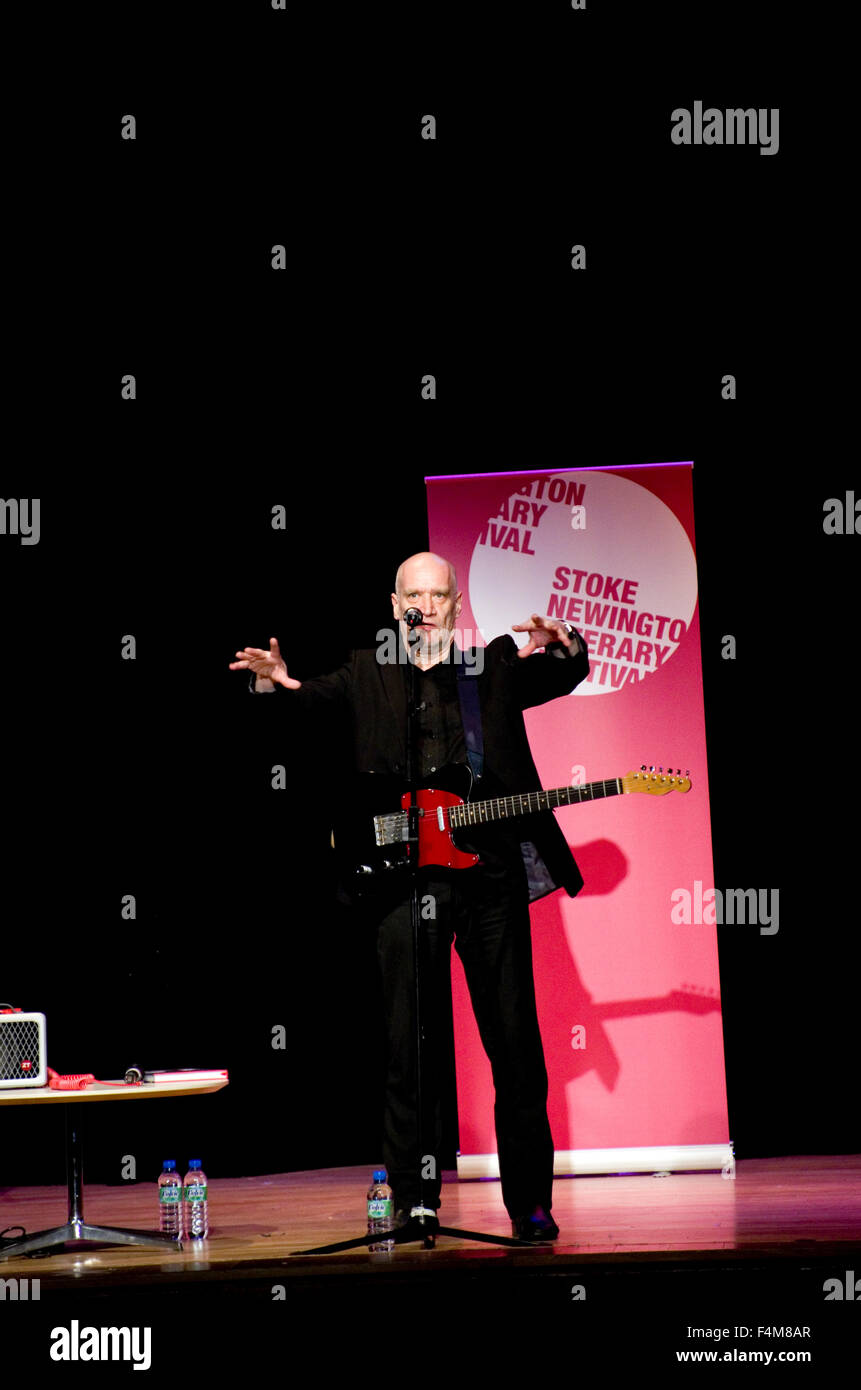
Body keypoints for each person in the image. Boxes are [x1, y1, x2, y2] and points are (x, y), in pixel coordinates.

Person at [229, 552, 589, 1242]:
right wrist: (274, 683)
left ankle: (530, 1205)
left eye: (437, 594)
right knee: (408, 1048)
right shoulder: (368, 672)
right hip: (404, 882)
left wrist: (566, 642)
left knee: (514, 1044)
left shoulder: (493, 668)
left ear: (455, 606)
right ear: (396, 605)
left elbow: (565, 673)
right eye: (412, 595)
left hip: (488, 880)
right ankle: (412, 1198)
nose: (424, 605)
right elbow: (307, 700)